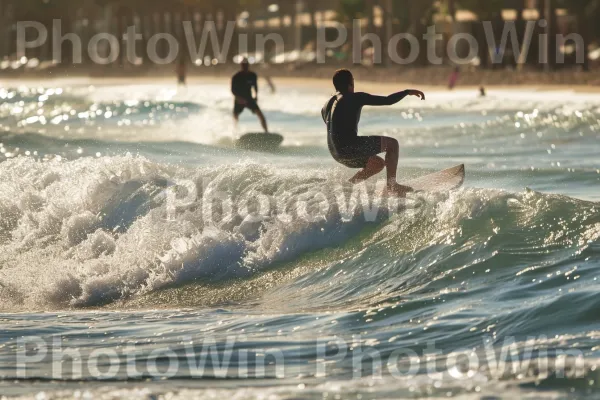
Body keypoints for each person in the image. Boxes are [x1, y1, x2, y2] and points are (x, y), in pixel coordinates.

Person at [321, 69, 425, 197]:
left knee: (377, 164)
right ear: (350, 84)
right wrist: (407, 92)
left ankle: (349, 186)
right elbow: (388, 100)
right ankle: (392, 186)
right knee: (392, 144)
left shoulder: (326, 106)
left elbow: (334, 128)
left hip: (336, 154)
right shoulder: (354, 97)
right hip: (350, 148)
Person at [232, 58, 268, 133]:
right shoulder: (236, 77)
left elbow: (255, 87)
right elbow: (233, 90)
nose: (245, 67)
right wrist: (239, 98)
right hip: (239, 100)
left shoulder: (253, 75)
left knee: (260, 114)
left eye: (246, 65)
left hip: (249, 98)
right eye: (243, 65)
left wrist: (256, 96)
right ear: (241, 66)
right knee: (235, 117)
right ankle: (235, 132)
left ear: (248, 65)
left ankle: (266, 132)